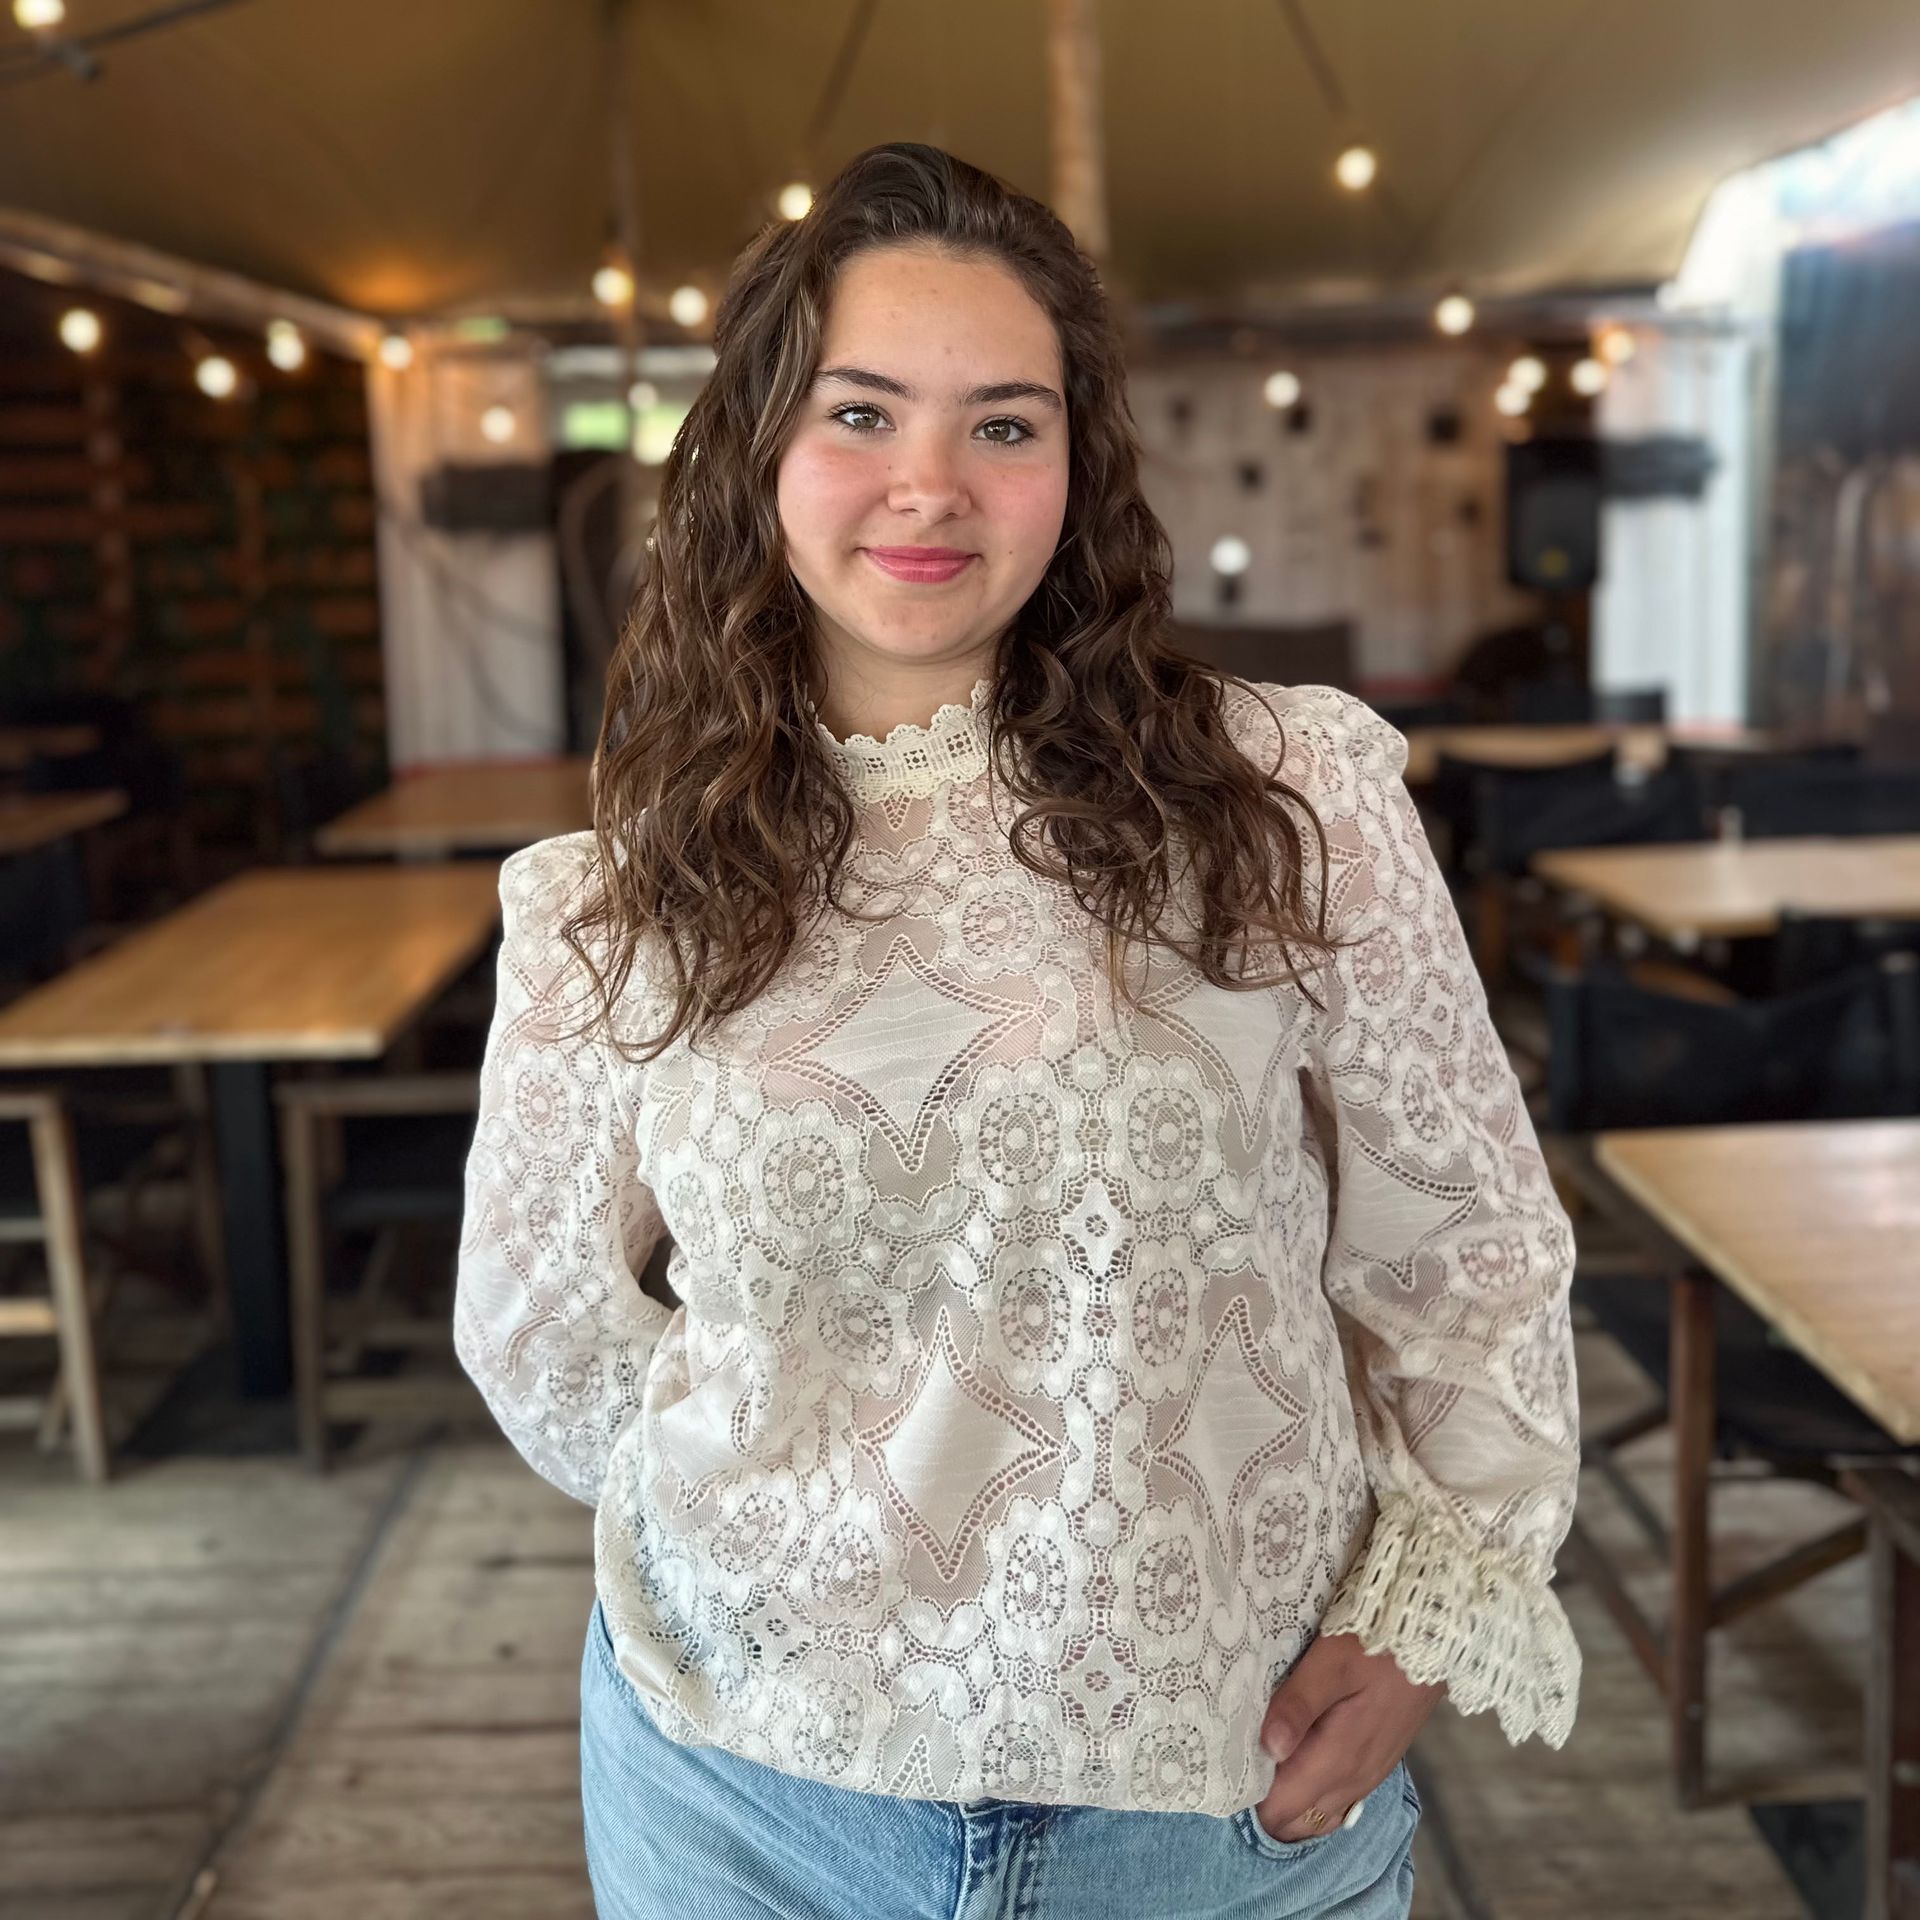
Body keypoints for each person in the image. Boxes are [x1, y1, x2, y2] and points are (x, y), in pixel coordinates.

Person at [454, 141, 1581, 1920]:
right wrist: (789, 1549)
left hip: (1213, 1783)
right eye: (860, 414)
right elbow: (540, 1335)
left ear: (1077, 466)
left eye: (1003, 423)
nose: (931, 485)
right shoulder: (620, 898)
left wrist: (1425, 1613)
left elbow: (1471, 1250)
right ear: (757, 452)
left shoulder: (1283, 802)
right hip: (745, 1788)